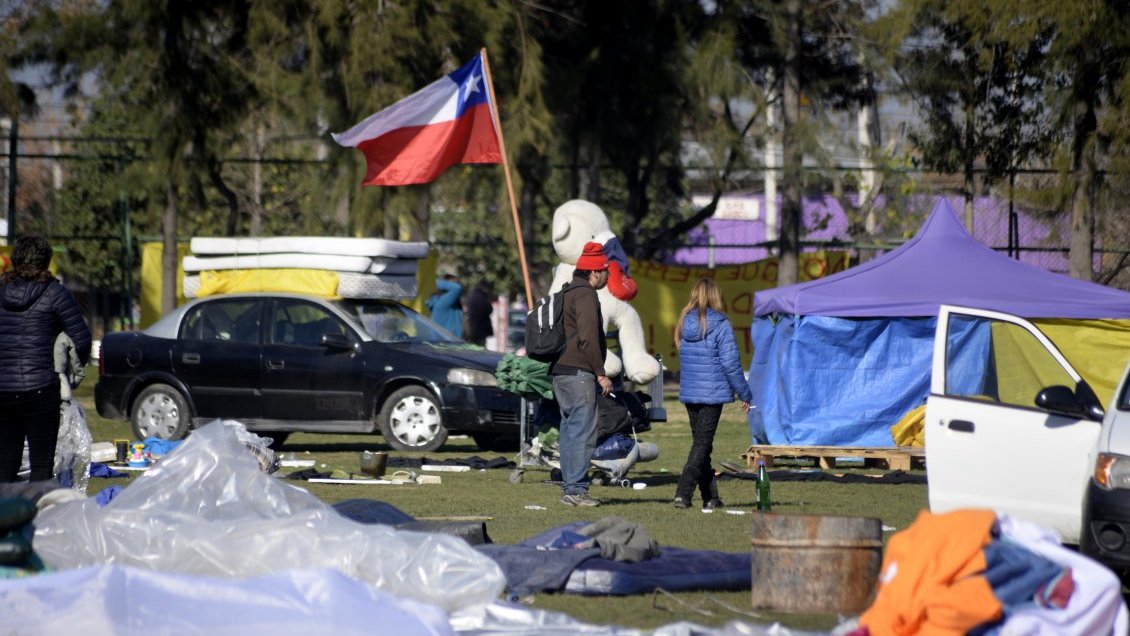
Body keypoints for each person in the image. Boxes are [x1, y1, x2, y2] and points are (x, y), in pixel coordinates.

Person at [0, 235, 91, 482]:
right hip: (40, 389)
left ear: (15, 260)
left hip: (3, 390)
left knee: (5, 467)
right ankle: (40, 518)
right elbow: (82, 339)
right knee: (41, 468)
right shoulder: (55, 293)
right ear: (46, 261)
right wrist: (71, 374)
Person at [673, 277, 752, 510]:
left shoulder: (684, 322)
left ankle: (711, 497)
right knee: (701, 445)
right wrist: (744, 392)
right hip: (712, 393)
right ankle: (682, 492)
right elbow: (731, 363)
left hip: (691, 393)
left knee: (702, 445)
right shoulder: (721, 324)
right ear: (715, 296)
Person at [552, 241, 613, 507]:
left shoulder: (567, 292)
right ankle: (576, 490)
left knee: (569, 431)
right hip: (579, 373)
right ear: (595, 272)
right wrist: (600, 373)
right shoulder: (586, 295)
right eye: (606, 271)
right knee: (583, 432)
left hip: (560, 372)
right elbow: (588, 338)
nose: (609, 276)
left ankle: (570, 488)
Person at [463, 280, 494, 346]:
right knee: (480, 348)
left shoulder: (471, 295)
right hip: (481, 328)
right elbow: (489, 310)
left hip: (471, 327)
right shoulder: (483, 297)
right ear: (485, 288)